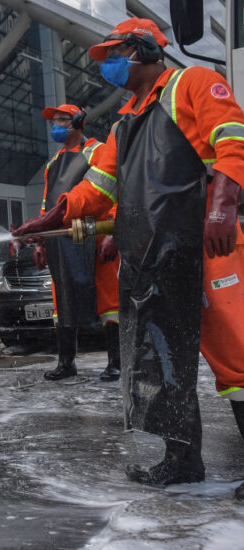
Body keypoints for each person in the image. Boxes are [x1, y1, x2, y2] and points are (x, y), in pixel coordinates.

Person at [13, 17, 244, 490]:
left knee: (236, 358)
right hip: (153, 256)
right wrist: (52, 217)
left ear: (141, 50)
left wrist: (222, 206)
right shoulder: (126, 121)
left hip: (206, 247)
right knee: (161, 360)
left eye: (114, 55)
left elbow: (233, 141)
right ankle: (182, 461)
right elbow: (98, 187)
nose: (108, 65)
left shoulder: (193, 83)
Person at [34, 103, 120, 381]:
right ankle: (67, 363)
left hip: (96, 233)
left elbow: (116, 191)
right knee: (63, 299)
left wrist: (112, 233)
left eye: (62, 120)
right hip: (62, 239)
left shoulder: (99, 151)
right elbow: (47, 207)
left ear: (79, 121)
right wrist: (39, 241)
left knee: (109, 299)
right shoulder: (52, 163)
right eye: (54, 121)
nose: (55, 125)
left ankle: (116, 363)